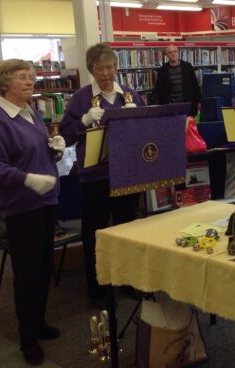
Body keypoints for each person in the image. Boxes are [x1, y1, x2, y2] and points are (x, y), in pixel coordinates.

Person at [0, 59, 65, 364]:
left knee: (43, 268)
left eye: (31, 77)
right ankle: (27, 337)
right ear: (4, 84)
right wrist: (25, 178)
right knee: (27, 274)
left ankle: (38, 322)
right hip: (21, 207)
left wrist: (53, 148)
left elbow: (36, 151)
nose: (31, 82)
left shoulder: (31, 112)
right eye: (23, 78)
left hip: (45, 202)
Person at [60, 43, 145, 305]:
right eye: (99, 69)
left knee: (128, 231)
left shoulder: (130, 94)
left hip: (127, 175)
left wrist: (140, 118)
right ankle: (97, 289)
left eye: (109, 67)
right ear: (91, 71)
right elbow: (64, 136)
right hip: (95, 176)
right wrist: (82, 121)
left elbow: (148, 132)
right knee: (95, 233)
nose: (105, 74)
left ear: (117, 67)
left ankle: (129, 282)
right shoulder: (81, 98)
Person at [154, 44, 201, 116]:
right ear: (167, 55)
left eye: (175, 51)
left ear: (178, 53)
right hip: (171, 108)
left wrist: (199, 102)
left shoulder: (187, 66)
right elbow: (159, 90)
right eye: (170, 52)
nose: (173, 54)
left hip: (188, 105)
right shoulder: (162, 70)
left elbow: (195, 85)